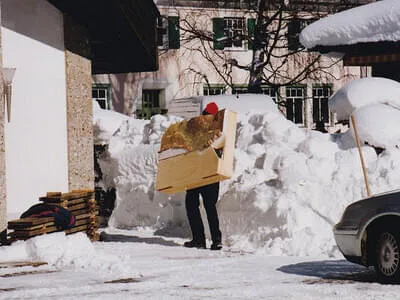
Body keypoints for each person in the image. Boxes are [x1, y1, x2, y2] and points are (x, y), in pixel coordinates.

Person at [184, 102, 223, 251]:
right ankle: (210, 240)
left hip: (205, 174)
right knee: (202, 206)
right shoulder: (207, 129)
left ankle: (204, 239)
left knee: (198, 205)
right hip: (203, 174)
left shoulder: (215, 131)